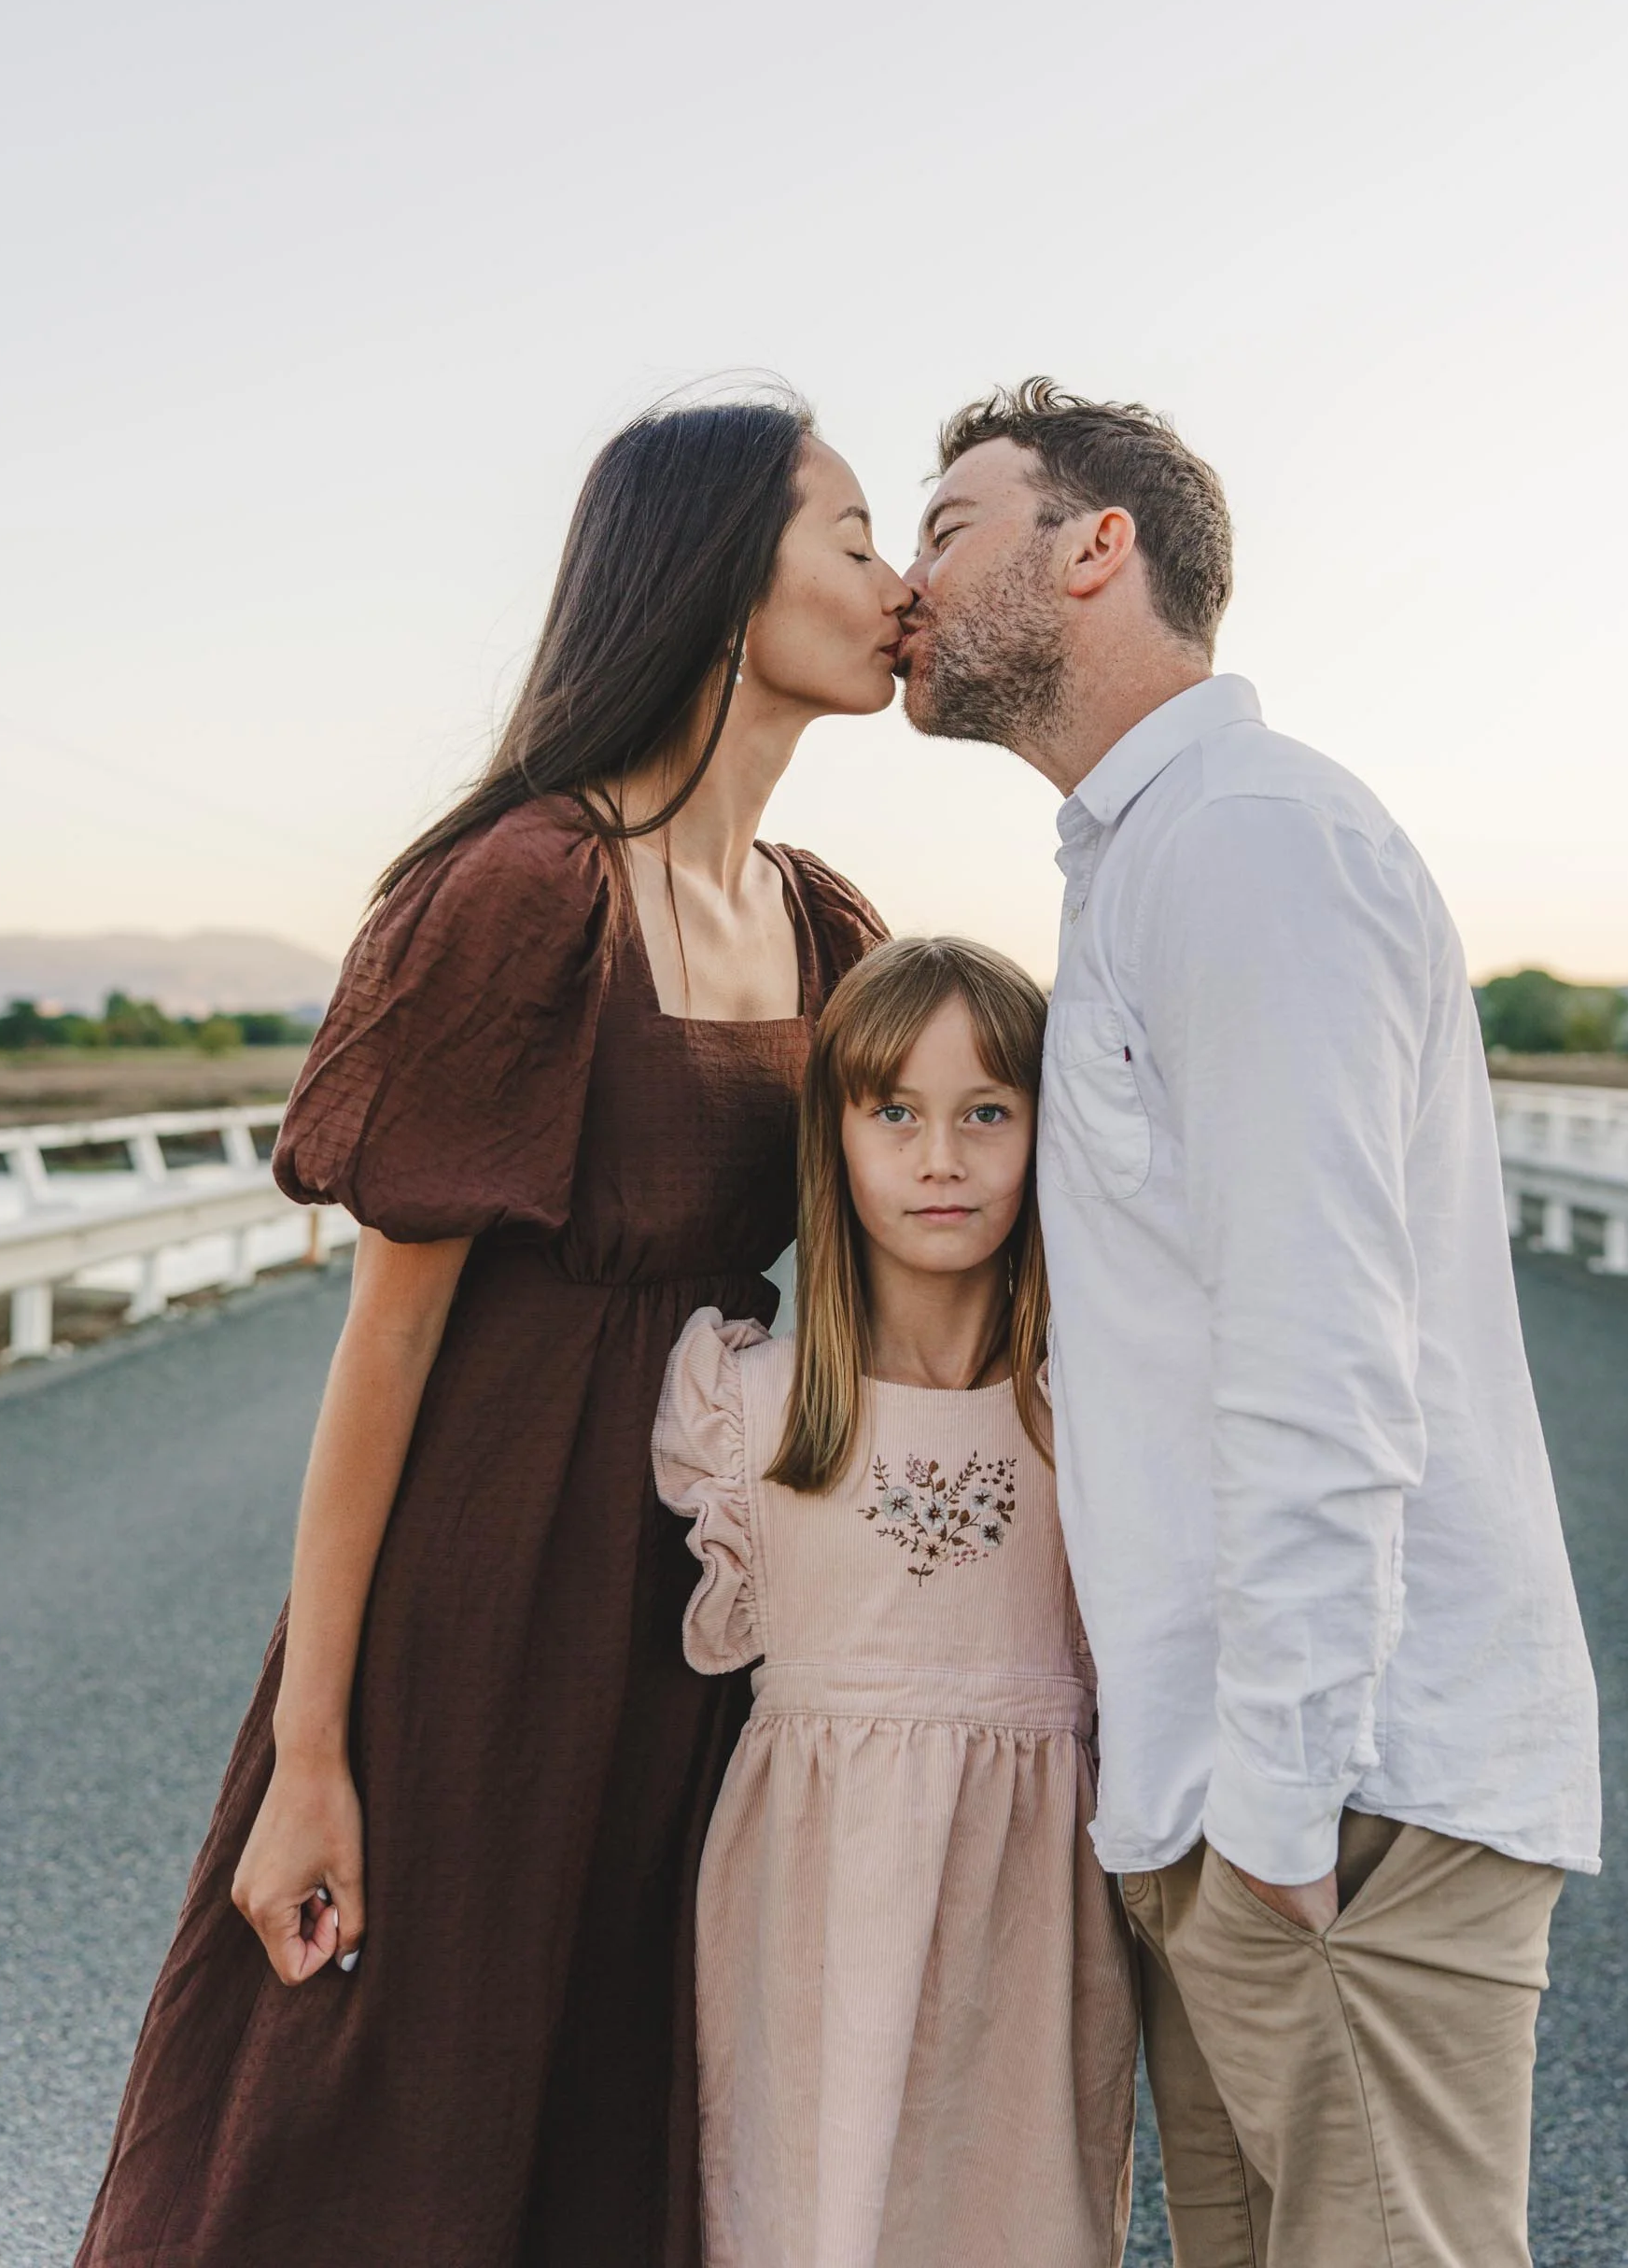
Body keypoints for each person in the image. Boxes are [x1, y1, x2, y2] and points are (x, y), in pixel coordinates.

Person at [78, 385, 909, 2268]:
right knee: (380, 2132)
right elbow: (383, 1353)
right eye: (852, 538)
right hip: (483, 1599)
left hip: (699, 1609)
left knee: (615, 2117)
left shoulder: (822, 922)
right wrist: (310, 1757)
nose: (893, 581)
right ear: (714, 582)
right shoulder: (524, 891)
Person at [899, 379, 1602, 2268]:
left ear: (1095, 547)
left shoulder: (1249, 845)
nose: (909, 572)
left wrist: (1279, 1805)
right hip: (1237, 1800)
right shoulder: (1144, 859)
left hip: (1339, 1802)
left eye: (953, 522)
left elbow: (1320, 1359)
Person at [653, 936, 1138, 2268]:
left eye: (988, 1112)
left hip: (1030, 1915)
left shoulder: (1087, 1410)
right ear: (836, 1138)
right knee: (807, 2214)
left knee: (1018, 2213)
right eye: (896, 1114)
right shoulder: (745, 1408)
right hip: (809, 1909)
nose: (943, 1158)